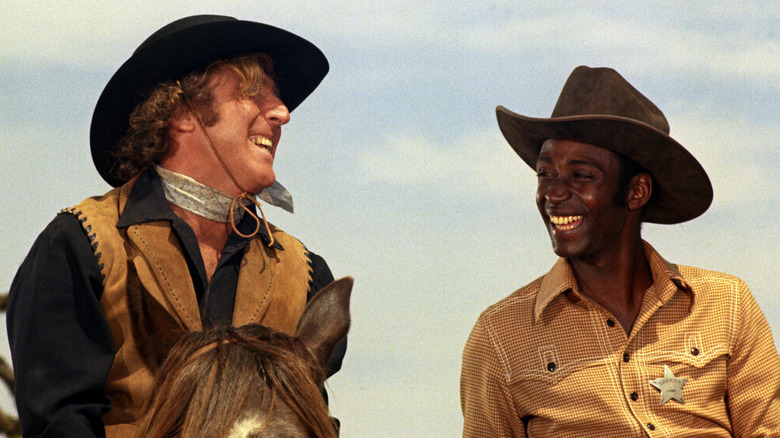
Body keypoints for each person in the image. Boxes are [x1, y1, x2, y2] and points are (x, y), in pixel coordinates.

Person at [7, 15, 345, 437]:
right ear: (182, 112)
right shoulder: (80, 246)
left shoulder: (306, 273)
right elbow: (59, 424)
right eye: (254, 91)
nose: (282, 112)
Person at [460, 65, 780, 437]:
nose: (554, 194)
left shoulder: (726, 304)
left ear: (636, 192)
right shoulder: (500, 334)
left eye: (581, 176)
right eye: (546, 174)